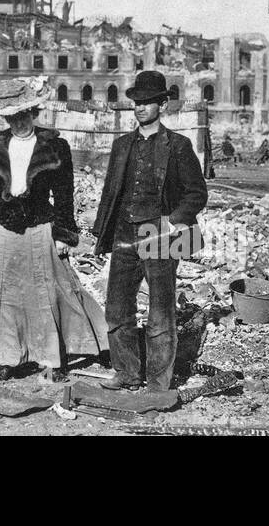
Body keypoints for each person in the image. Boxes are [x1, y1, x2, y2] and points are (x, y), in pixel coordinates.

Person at [0, 78, 108, 382]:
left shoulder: (54, 146)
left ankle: (50, 357)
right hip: (6, 229)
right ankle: (7, 356)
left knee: (47, 292)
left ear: (34, 112)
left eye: (23, 115)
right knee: (6, 295)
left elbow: (65, 193)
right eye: (12, 117)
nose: (19, 123)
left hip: (41, 226)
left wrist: (64, 233)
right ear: (5, 118)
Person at [92, 70, 208, 392]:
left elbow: (197, 192)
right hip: (124, 235)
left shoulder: (179, 146)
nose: (140, 107)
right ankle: (127, 373)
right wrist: (101, 232)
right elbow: (110, 193)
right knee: (116, 310)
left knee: (160, 313)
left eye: (148, 102)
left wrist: (174, 221)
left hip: (160, 236)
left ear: (163, 104)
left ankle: (158, 383)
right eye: (137, 102)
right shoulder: (121, 146)